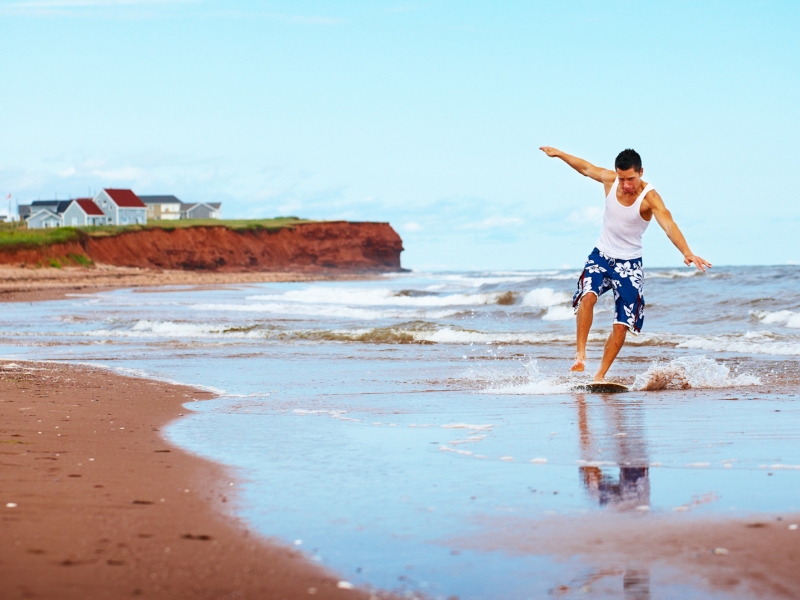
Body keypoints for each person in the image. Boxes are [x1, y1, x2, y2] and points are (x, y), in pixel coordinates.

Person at [539, 147, 711, 382]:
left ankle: (599, 376)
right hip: (601, 255)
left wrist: (687, 252)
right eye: (622, 178)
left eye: (631, 178)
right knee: (588, 296)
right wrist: (559, 154)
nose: (626, 184)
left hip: (629, 265)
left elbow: (669, 225)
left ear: (641, 172)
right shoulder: (610, 181)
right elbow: (586, 168)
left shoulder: (650, 198)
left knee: (622, 324)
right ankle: (580, 355)